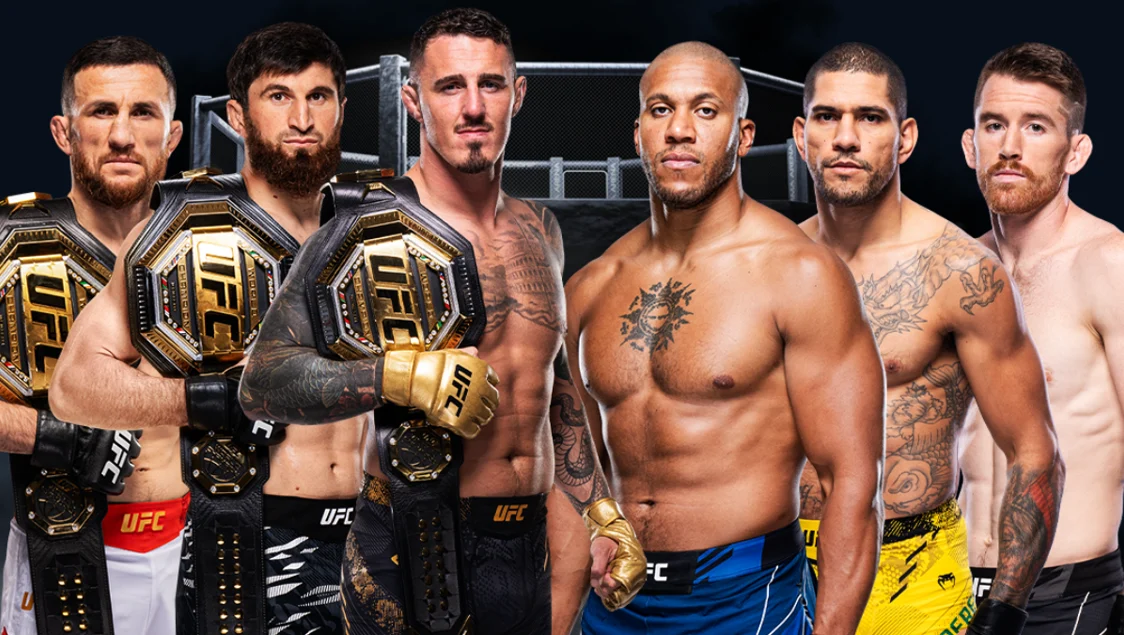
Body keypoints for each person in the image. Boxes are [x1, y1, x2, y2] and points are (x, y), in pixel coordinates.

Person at [237, 9, 645, 635]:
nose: (473, 107)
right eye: (450, 86)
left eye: (491, 84)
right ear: (414, 101)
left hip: (526, 544)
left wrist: (600, 512)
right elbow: (265, 380)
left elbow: (552, 381)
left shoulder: (541, 230)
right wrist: (400, 376)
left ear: (519, 94)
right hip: (411, 541)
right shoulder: (365, 229)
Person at [48, 23, 363, 635]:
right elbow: (76, 385)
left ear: (342, 111)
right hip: (244, 541)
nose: (301, 117)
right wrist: (205, 400)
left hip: (378, 539)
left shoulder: (377, 229)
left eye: (318, 97)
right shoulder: (184, 235)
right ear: (238, 118)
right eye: (279, 97)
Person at [565, 41, 885, 635]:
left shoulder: (800, 274)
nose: (680, 130)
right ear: (637, 134)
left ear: (742, 135)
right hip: (613, 603)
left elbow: (852, 481)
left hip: (745, 599)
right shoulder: (592, 287)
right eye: (660, 110)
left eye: (705, 111)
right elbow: (577, 466)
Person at [794, 42, 1065, 635]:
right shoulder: (770, 263)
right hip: (775, 564)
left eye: (870, 118)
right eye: (827, 116)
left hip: (912, 571)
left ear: (906, 137)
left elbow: (1034, 452)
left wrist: (1004, 611)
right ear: (800, 133)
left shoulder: (959, 273)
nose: (846, 138)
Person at [0, 36, 178, 634]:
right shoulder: (10, 250)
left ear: (172, 135)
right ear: (63, 132)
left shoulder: (212, 250)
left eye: (143, 113)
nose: (122, 136)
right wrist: (56, 437)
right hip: (63, 550)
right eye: (101, 111)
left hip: (202, 545)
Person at [959, 42, 1123, 634]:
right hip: (950, 594)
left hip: (1067, 598)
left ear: (1075, 151)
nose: (1009, 146)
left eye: (1036, 126)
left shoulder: (1108, 264)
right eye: (994, 125)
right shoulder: (957, 270)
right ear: (969, 145)